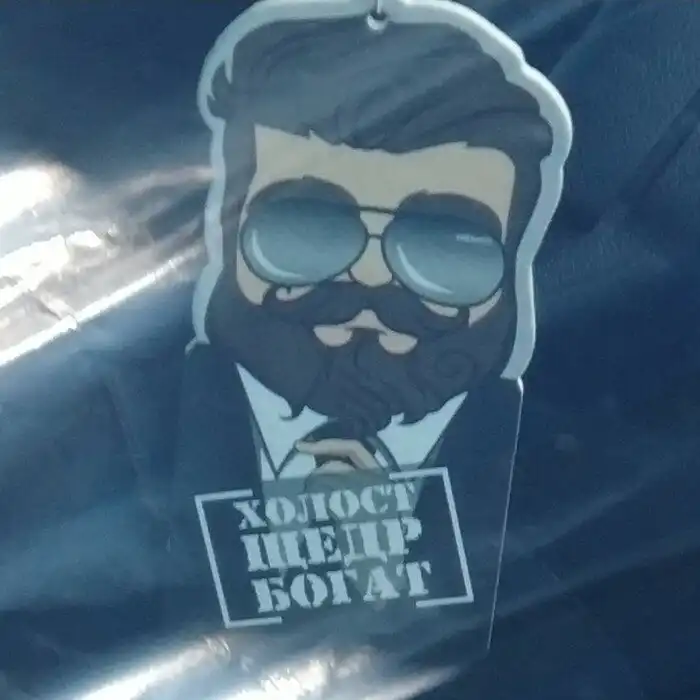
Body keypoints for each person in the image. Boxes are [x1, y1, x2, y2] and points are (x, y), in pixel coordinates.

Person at [166, 1, 571, 668]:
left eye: (444, 245)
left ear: (513, 260)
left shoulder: (571, 471)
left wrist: (377, 569)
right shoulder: (115, 414)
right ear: (228, 235)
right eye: (305, 226)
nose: (371, 281)